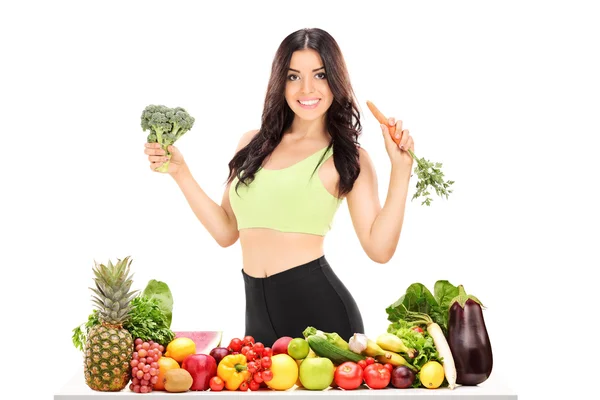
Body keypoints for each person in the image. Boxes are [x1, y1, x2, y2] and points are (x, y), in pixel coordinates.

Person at [143, 28, 415, 347]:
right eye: (293, 76)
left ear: (336, 80)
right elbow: (226, 231)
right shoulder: (252, 144)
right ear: (280, 82)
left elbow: (379, 249)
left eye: (320, 75)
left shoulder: (347, 157)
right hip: (256, 317)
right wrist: (181, 172)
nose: (307, 88)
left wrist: (401, 170)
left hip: (324, 319)